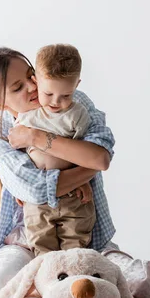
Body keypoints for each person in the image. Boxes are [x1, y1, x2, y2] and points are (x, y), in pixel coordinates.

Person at [0, 47, 150, 298]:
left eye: (31, 75)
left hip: (81, 228)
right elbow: (33, 189)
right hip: (27, 236)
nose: (33, 87)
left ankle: (107, 265)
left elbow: (101, 156)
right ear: (0, 104)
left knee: (146, 283)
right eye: (17, 87)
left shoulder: (73, 101)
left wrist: (34, 137)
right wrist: (85, 167)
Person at [14, 43, 96, 255]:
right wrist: (17, 186)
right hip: (38, 200)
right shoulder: (27, 116)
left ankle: (75, 285)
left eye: (66, 95)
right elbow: (16, 156)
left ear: (76, 85)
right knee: (42, 249)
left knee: (76, 248)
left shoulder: (78, 116)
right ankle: (46, 285)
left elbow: (83, 152)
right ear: (35, 82)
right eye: (48, 93)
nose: (56, 102)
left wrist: (84, 180)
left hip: (73, 195)